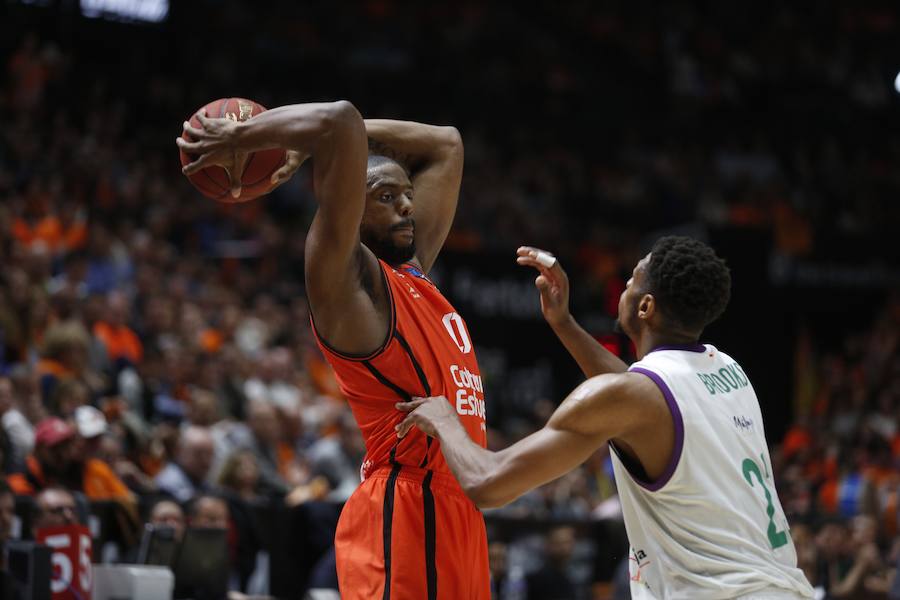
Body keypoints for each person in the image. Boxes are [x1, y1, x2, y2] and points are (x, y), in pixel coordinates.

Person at [178, 102, 488, 598]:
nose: (407, 206)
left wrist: (304, 147)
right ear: (350, 209)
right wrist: (251, 137)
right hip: (405, 506)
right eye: (386, 196)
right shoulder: (348, 285)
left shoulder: (414, 276)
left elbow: (445, 142)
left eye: (407, 194)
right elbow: (340, 121)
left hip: (459, 505)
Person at [398, 236, 815, 599]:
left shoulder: (636, 397)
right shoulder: (728, 370)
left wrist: (445, 418)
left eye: (632, 279)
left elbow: (487, 484)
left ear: (646, 306)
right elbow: (642, 398)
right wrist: (564, 324)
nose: (624, 285)